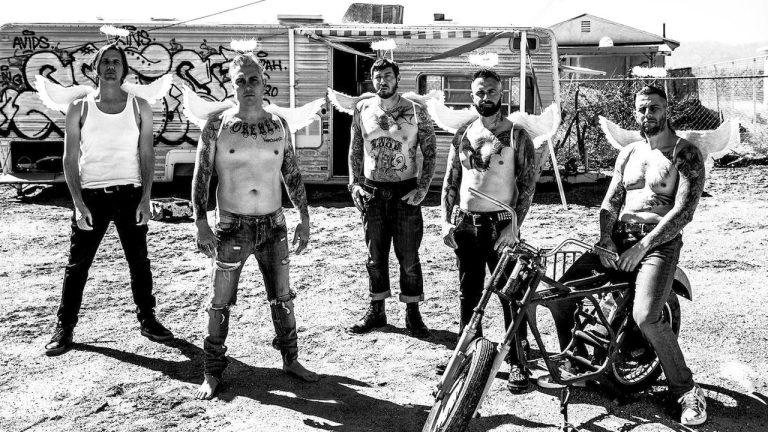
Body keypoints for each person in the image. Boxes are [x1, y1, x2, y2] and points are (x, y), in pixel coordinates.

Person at [548, 85, 707, 426]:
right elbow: (611, 202)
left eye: (654, 107)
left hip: (659, 244)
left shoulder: (685, 153)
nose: (647, 114)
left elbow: (683, 212)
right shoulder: (630, 152)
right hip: (619, 238)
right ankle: (577, 363)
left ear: (667, 110)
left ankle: (686, 390)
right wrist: (606, 239)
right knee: (560, 295)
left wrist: (642, 246)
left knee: (647, 316)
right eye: (641, 108)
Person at [191, 52, 319, 400]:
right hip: (231, 226)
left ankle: (291, 359)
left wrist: (304, 217)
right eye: (240, 81)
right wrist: (200, 222)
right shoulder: (217, 126)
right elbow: (202, 175)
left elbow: (291, 172)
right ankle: (212, 371)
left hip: (274, 224)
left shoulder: (279, 125)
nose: (247, 86)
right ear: (232, 86)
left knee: (283, 296)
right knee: (219, 300)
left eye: (253, 80)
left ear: (264, 84)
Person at [44, 43, 173, 356]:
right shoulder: (80, 107)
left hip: (130, 194)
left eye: (116, 62)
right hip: (91, 196)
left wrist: (146, 198)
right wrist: (78, 204)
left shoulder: (139, 106)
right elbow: (69, 158)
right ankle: (64, 327)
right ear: (96, 69)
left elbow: (147, 153)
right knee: (78, 265)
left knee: (139, 262)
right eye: (105, 62)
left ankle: (148, 319)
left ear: (124, 69)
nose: (111, 66)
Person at [440, 68, 538, 393]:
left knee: (511, 294)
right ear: (472, 96)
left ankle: (518, 361)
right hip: (467, 224)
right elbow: (451, 180)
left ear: (501, 94)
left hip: (501, 227)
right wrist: (445, 220)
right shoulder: (464, 133)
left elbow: (527, 186)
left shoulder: (517, 136)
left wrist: (514, 226)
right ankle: (467, 355)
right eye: (480, 92)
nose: (485, 97)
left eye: (491, 91)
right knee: (469, 293)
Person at [346, 58, 437, 339]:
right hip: (372, 193)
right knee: (374, 257)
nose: (382, 81)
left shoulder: (415, 110)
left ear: (397, 79)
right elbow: (355, 149)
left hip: (404, 193)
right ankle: (377, 310)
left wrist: (422, 188)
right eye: (377, 76)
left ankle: (413, 312)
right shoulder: (362, 109)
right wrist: (354, 185)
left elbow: (430, 152)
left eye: (387, 76)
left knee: (409, 257)